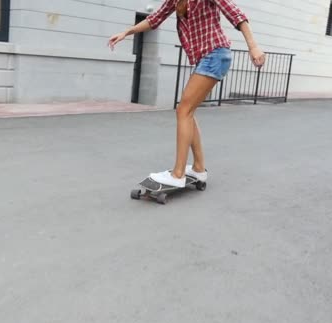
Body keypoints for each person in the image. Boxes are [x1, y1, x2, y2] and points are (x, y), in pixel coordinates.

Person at [108, 0, 265, 187]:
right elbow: (155, 19)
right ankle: (198, 168)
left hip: (215, 54)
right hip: (206, 58)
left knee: (183, 110)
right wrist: (127, 32)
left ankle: (178, 174)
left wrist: (253, 46)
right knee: (187, 112)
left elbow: (235, 14)